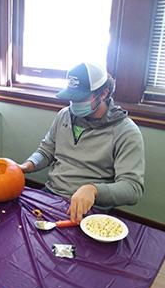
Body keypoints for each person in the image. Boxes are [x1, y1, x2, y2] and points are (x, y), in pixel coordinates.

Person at [18, 62, 145, 223]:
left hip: (89, 208)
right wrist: (27, 165)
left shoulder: (126, 131)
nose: (74, 104)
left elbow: (132, 188)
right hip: (50, 194)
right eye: (72, 98)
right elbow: (46, 151)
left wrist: (94, 190)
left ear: (104, 94)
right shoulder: (64, 115)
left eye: (81, 98)